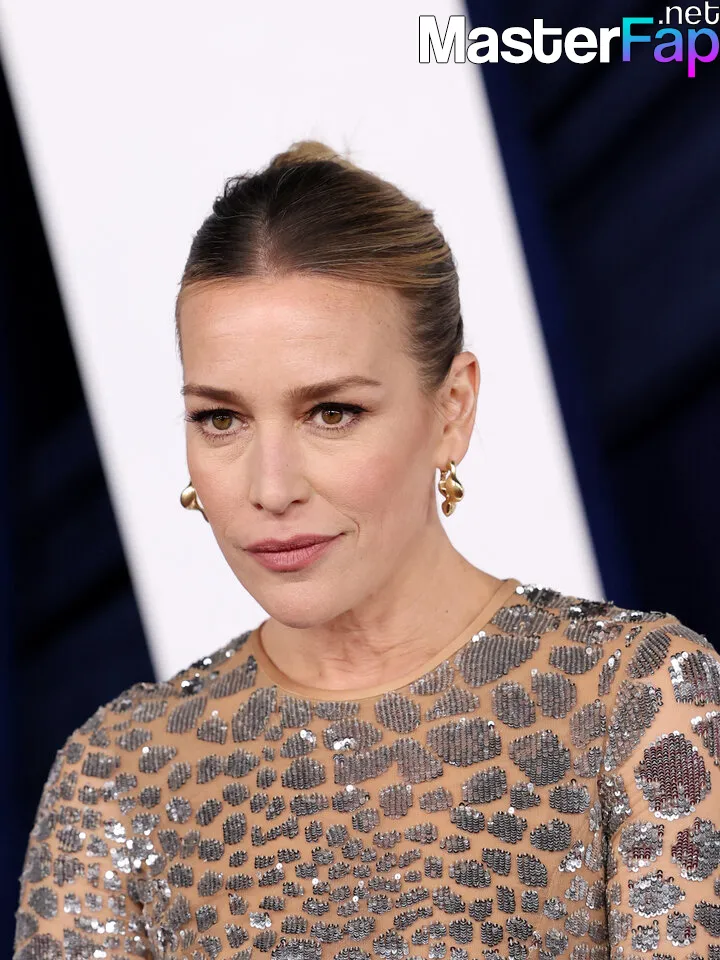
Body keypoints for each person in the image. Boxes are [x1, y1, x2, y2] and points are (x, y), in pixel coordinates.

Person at [13, 140, 720, 960]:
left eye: (332, 413)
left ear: (452, 408)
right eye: (221, 419)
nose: (271, 486)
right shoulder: (117, 775)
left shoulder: (638, 699)